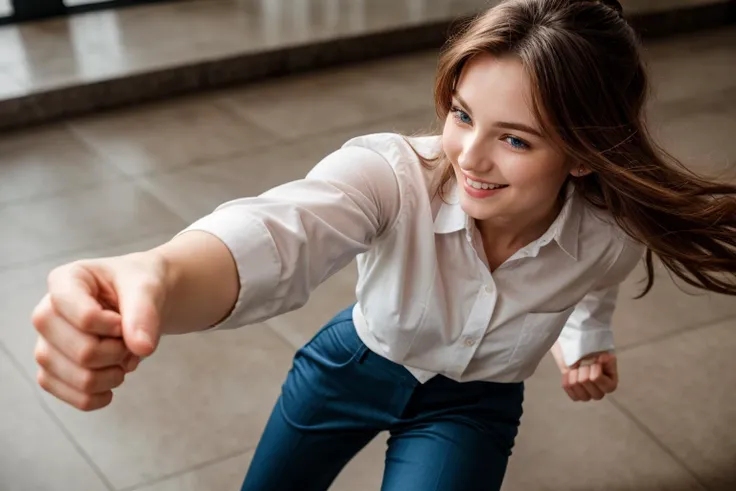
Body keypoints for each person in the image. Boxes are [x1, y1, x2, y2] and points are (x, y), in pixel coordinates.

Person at [30, 0, 736, 489]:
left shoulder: (609, 234)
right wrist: (156, 271)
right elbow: (281, 231)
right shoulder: (391, 174)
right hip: (351, 366)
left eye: (515, 138)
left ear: (583, 156)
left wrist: (586, 338)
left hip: (474, 405)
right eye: (463, 114)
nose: (470, 156)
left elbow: (594, 284)